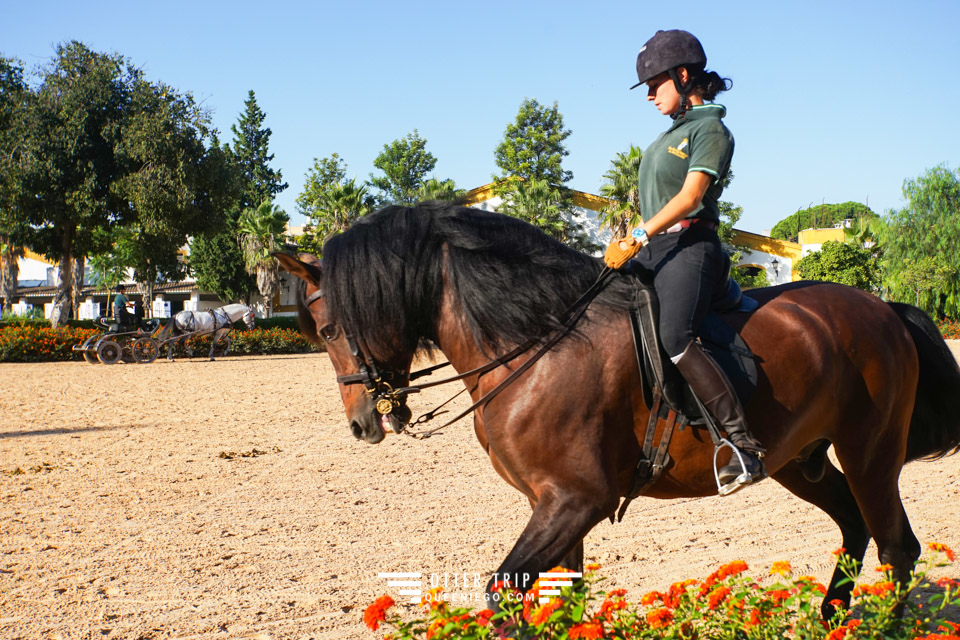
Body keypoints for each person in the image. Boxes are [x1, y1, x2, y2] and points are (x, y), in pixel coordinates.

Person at [603, 29, 765, 494]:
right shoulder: (667, 136)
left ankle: (742, 446)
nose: (650, 94)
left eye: (656, 83)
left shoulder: (711, 130)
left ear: (684, 75)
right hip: (655, 247)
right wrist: (632, 239)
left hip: (692, 248)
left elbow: (692, 195)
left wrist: (638, 233)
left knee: (675, 334)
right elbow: (656, 203)